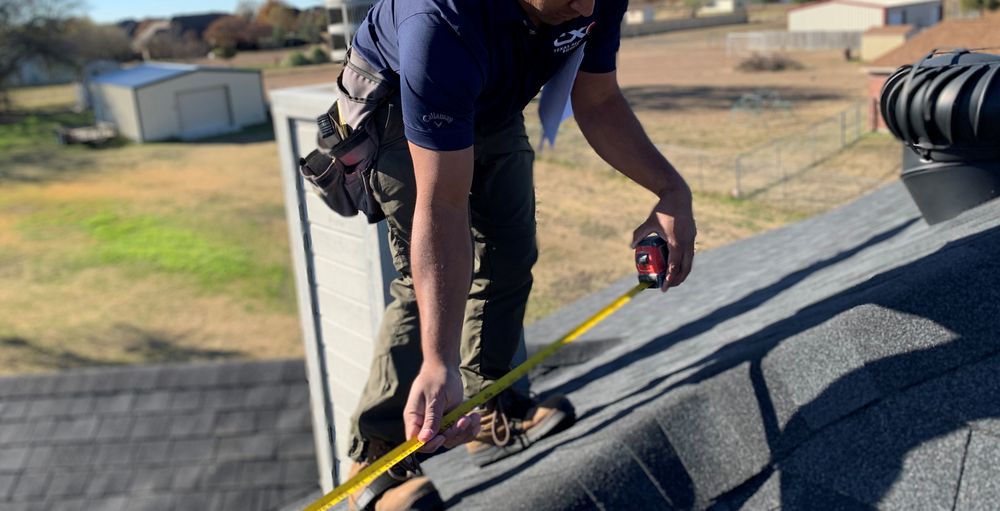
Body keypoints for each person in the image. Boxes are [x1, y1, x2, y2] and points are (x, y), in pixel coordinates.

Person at [337, 1, 697, 509]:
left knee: (509, 253)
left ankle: (491, 407)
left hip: (489, 97)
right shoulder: (437, 20)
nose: (586, 7)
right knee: (431, 286)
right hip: (402, 103)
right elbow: (441, 206)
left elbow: (596, 99)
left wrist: (671, 191)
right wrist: (439, 361)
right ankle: (375, 458)